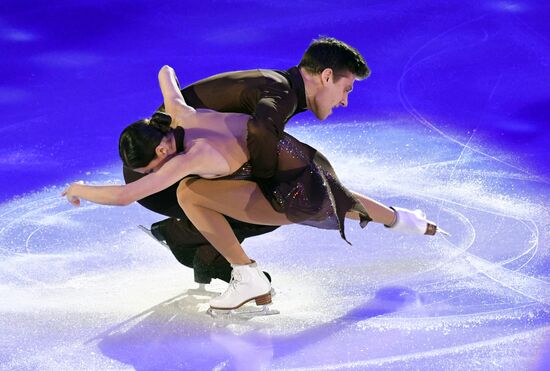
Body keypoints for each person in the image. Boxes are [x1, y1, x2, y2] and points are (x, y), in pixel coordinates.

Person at [63, 65, 440, 311]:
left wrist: (79, 187)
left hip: (286, 196)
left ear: (162, 149)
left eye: (151, 166)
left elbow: (127, 195)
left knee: (187, 193)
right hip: (299, 163)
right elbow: (165, 72)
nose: (153, 172)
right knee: (340, 197)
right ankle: (406, 219)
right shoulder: (181, 113)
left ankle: (247, 276)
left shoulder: (190, 158)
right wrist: (165, 106)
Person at [123, 37, 371, 285]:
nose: (344, 101)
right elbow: (261, 130)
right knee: (275, 203)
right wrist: (267, 184)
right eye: (346, 89)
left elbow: (167, 74)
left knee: (279, 197)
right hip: (157, 176)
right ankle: (185, 240)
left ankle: (200, 252)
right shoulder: (281, 92)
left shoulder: (280, 86)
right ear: (327, 77)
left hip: (160, 168)